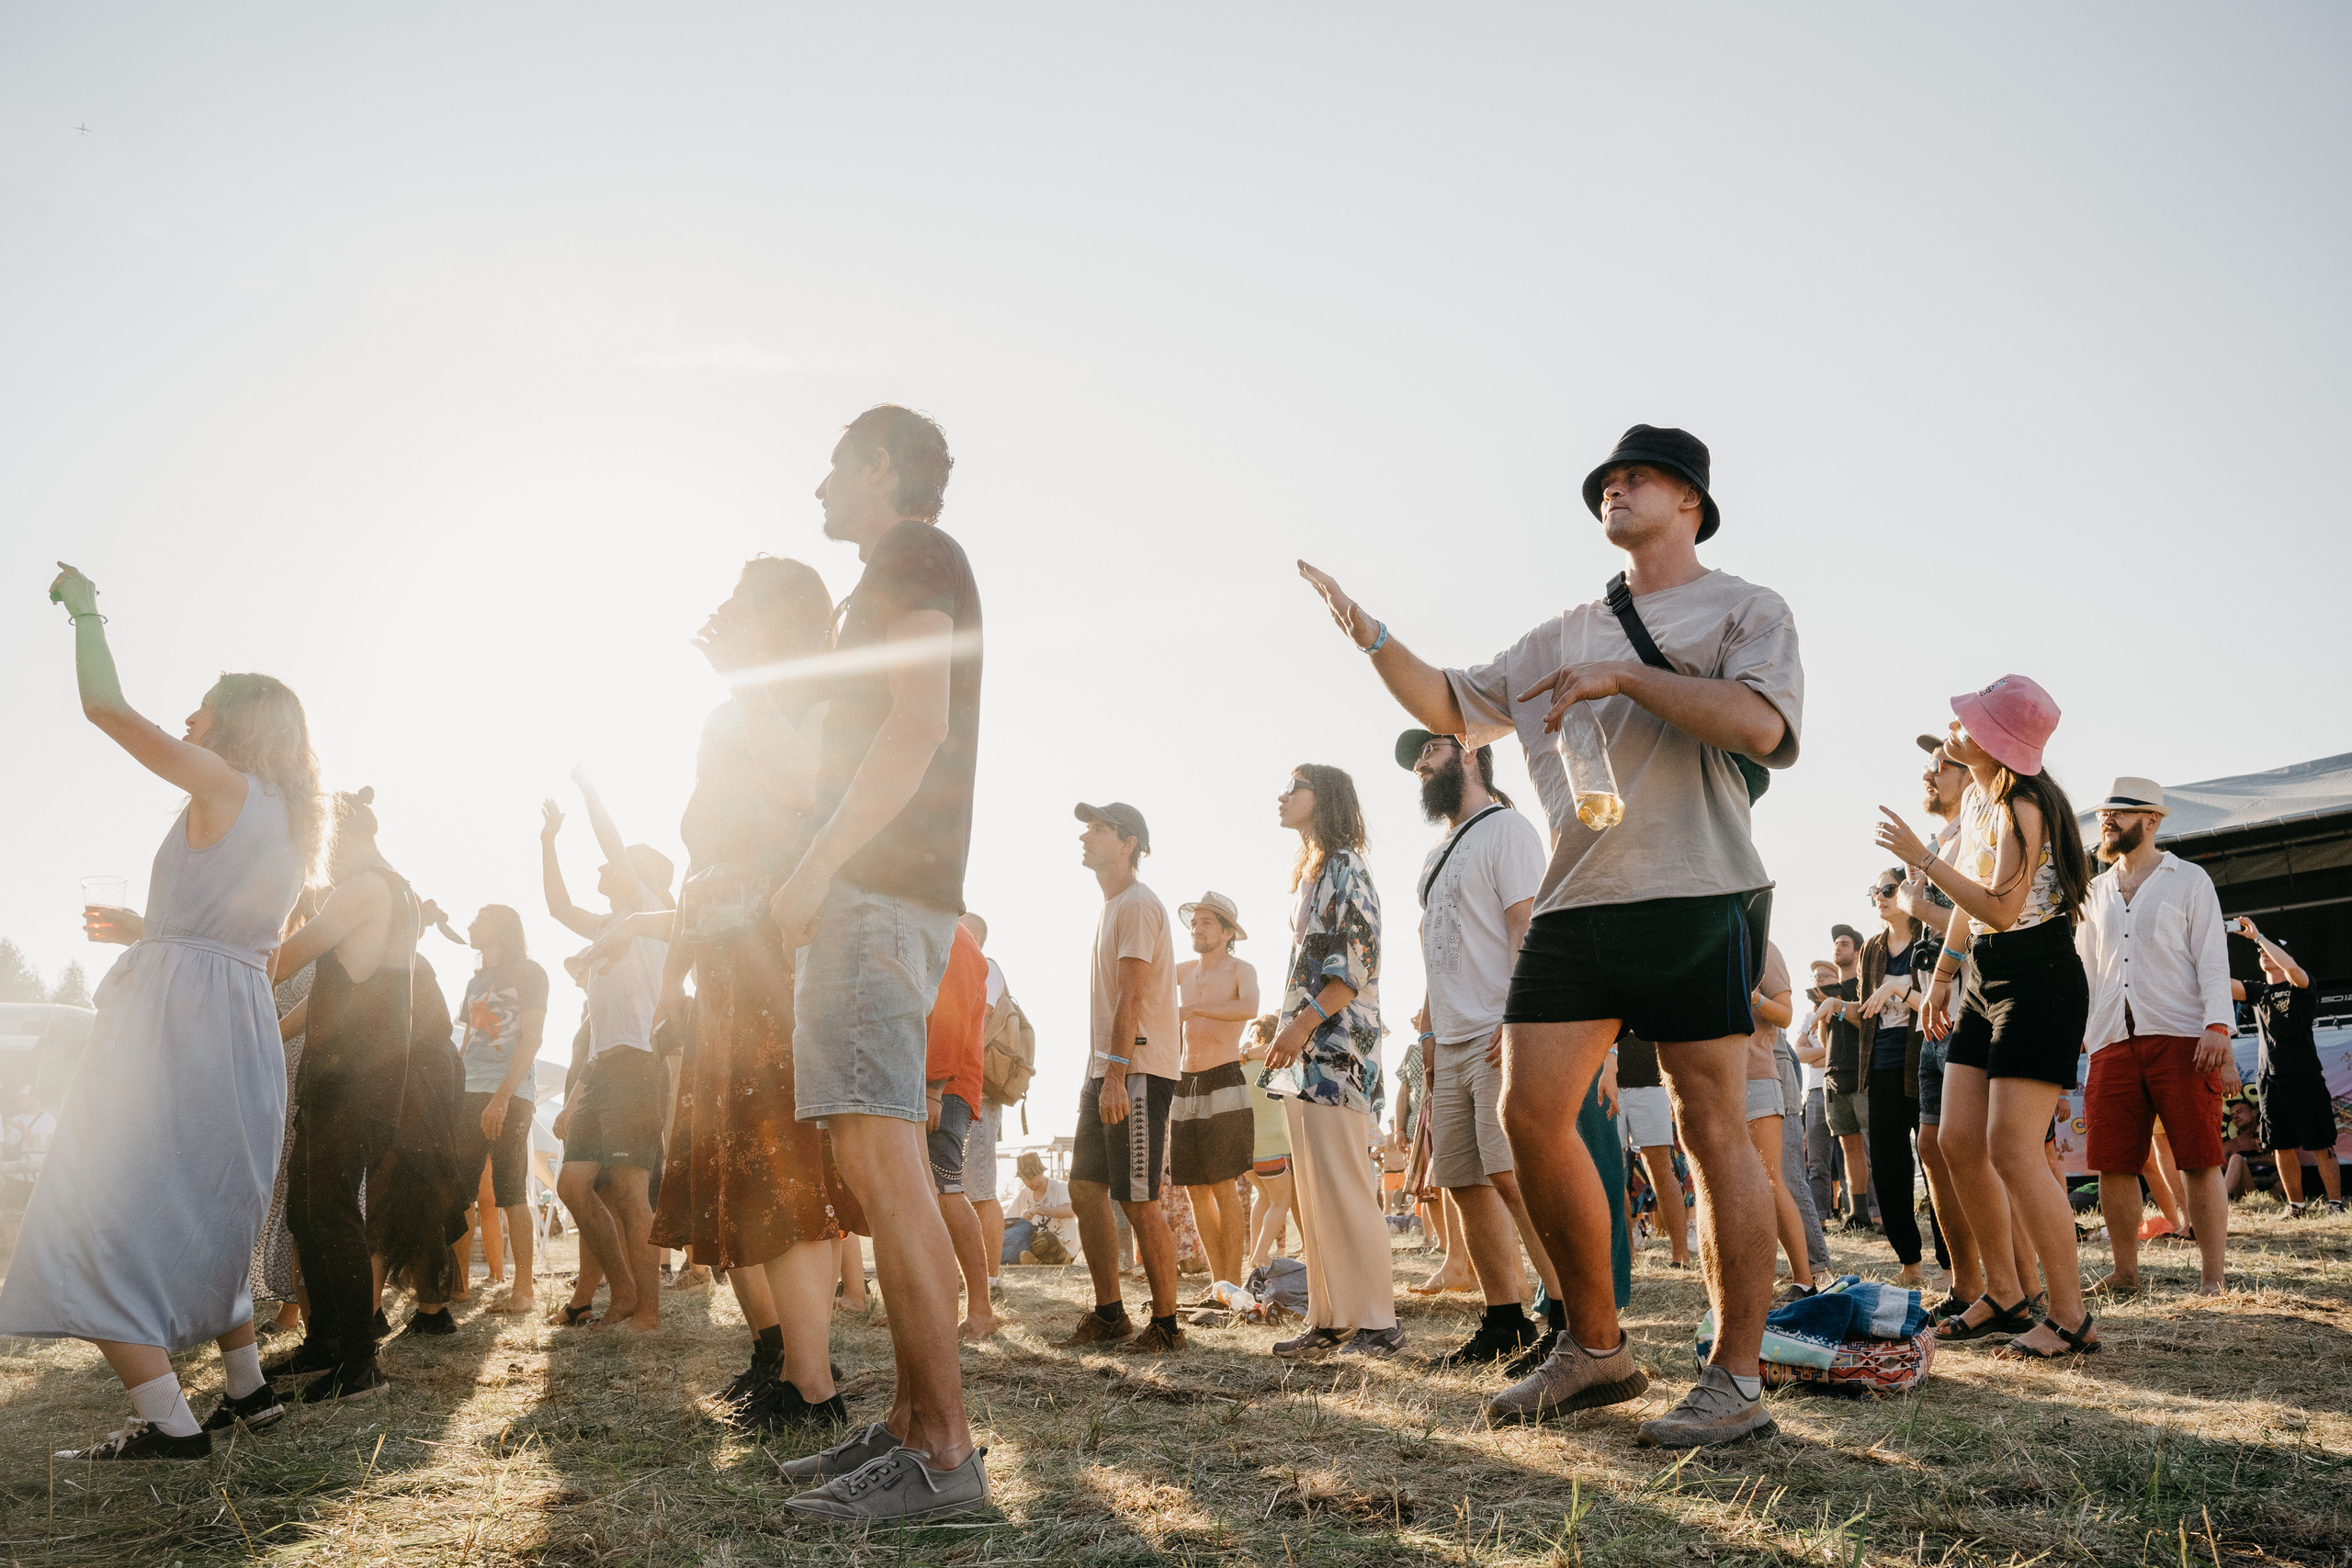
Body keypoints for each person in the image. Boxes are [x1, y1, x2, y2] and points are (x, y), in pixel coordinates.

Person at [1300, 425, 1804, 1445]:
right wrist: (1368, 633)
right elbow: (1450, 701)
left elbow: (1760, 728)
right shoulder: (1559, 634)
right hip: (1578, 902)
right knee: (1530, 1115)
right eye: (1608, 479)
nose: (1617, 487)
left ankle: (1736, 1380)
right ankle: (1597, 1346)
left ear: (1691, 504)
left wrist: (1626, 681)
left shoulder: (1745, 608)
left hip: (1696, 891)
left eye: (1641, 476)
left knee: (1710, 1128)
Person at [2, 567, 318, 1460]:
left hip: (177, 1028)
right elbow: (244, 938)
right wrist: (156, 930)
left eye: (202, 708)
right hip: (238, 1026)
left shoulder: (220, 784)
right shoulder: (291, 822)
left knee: (85, 1208)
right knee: (213, 1206)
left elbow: (107, 709)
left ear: (235, 725)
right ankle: (248, 1392)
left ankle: (166, 1423)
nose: (187, 721)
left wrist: (86, 608)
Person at [764, 407, 989, 1521]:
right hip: (889, 887)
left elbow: (916, 722)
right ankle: (909, 1426)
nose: (818, 489)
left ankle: (944, 1455)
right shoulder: (896, 572)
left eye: (834, 464)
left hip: (874, 888)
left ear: (884, 468)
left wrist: (813, 871)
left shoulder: (911, 553)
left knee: (883, 1159)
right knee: (876, 1153)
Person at [628, 557, 858, 1428]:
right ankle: (782, 1358)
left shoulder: (816, 698)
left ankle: (812, 1387)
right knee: (729, 1172)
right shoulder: (726, 713)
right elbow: (698, 862)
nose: (722, 619)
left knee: (784, 1167)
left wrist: (749, 686)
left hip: (783, 948)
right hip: (723, 958)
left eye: (740, 608)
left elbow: (810, 792)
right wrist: (674, 974)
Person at [1875, 675, 2097, 1359]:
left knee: (2011, 1146)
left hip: (2040, 978)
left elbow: (2001, 906)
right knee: (1954, 1141)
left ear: (1996, 741)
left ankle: (2069, 1314)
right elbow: (1973, 914)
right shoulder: (1977, 797)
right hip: (1983, 979)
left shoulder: (2025, 805)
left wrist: (1922, 858)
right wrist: (1944, 974)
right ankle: (2002, 1292)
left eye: (1968, 722)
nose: (1954, 727)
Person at [1396, 728, 1573, 1368]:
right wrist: (1428, 1036)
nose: (1420, 764)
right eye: (1417, 757)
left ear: (1468, 754)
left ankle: (1566, 1317)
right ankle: (1505, 1318)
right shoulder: (1435, 852)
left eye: (1430, 751)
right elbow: (1435, 950)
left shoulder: (1508, 830)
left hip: (1501, 1031)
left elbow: (1528, 927)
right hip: (1450, 1040)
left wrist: (1519, 1013)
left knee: (1513, 1176)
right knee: (1463, 1180)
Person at [1261, 764, 1404, 1359]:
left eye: (1295, 785)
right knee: (1313, 1186)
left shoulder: (1347, 864)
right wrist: (1282, 1025)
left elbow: (1357, 962)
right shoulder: (1313, 871)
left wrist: (1297, 1025)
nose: (1282, 793)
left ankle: (1378, 1323)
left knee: (1344, 1179)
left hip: (1339, 1044)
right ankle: (1329, 1319)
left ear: (1327, 797)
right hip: (1305, 1045)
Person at [2075, 776, 2235, 1297]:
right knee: (2113, 1161)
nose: (2107, 821)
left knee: (2199, 1156)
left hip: (2183, 1036)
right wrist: (2080, 1029)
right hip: (2109, 1040)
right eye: (2104, 814)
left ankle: (2213, 1279)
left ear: (2152, 820)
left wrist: (2216, 1025)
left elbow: (2213, 959)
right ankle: (2125, 1274)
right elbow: (2083, 969)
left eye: (2119, 814)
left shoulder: (2189, 880)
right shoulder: (2093, 891)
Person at [541, 785, 673, 1334]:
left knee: (627, 1189)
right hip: (599, 1071)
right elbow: (557, 906)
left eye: (610, 866)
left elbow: (614, 846)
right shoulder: (604, 927)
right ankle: (620, 1292)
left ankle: (647, 1312)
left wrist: (593, 793)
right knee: (574, 1185)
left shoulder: (646, 913)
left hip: (638, 1064)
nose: (601, 868)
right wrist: (548, 841)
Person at [1060, 802, 1187, 1353]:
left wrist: (1114, 1074)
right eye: (1086, 828)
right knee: (1085, 1189)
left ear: (1129, 843)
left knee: (1138, 1200)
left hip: (1134, 1072)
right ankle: (1111, 1314)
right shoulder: (1112, 906)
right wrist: (1100, 1072)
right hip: (1106, 1070)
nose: (1085, 836)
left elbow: (1132, 996)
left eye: (1100, 829)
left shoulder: (1137, 905)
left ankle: (1166, 1326)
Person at [447, 907, 548, 1318]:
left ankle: (523, 1291)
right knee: (457, 1194)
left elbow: (532, 1038)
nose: (469, 924)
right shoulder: (475, 981)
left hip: (510, 1093)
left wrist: (503, 1096)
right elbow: (468, 1039)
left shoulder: (530, 972)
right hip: (468, 1091)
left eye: (480, 918)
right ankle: (457, 1287)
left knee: (509, 1191)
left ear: (502, 928)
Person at [1171, 891, 1262, 1291]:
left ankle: (1235, 1284)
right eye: (1194, 922)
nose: (1197, 928)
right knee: (1194, 1187)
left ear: (1228, 932)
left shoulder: (1242, 968)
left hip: (1224, 1076)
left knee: (1225, 1183)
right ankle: (1216, 1284)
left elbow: (1250, 1007)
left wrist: (1193, 1009)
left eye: (1207, 922)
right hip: (1183, 1082)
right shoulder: (1181, 970)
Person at [2237, 916, 2342, 1213]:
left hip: (2304, 1075)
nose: (2264, 955)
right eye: (2261, 954)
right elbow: (2223, 984)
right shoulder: (2258, 992)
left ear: (2283, 955)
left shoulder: (2300, 986)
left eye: (2271, 951)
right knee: (2281, 1145)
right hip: (2270, 1079)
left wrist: (2258, 938)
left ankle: (2334, 1203)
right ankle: (2296, 1205)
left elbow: (2293, 969)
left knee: (2321, 1143)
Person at [924, 919, 998, 1339]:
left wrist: (934, 1087)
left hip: (945, 1087)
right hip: (935, 1084)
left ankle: (981, 1310)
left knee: (948, 1192)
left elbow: (950, 1018)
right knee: (932, 1197)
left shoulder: (952, 936)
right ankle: (931, 1306)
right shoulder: (941, 932)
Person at [1857, 876, 1928, 1286]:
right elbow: (1869, 1007)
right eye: (1874, 891)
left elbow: (1937, 1002)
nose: (1878, 897)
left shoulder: (1929, 936)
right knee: (1888, 1167)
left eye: (1887, 889)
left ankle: (1955, 1267)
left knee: (1935, 1162)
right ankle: (1911, 1265)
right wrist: (1838, 1004)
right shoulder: (1871, 948)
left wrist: (1899, 990)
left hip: (1923, 1060)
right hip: (1881, 1067)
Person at [1736, 942, 1811, 1297]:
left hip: (1756, 1076)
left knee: (1770, 1181)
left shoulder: (1762, 946)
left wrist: (1754, 999)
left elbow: (1785, 1015)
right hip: (1710, 1080)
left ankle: (1804, 1281)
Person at [959, 912, 1011, 1292]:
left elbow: (975, 1024)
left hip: (978, 1090)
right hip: (966, 1090)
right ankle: (971, 1275)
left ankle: (990, 1278)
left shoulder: (987, 969)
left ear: (972, 933)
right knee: (961, 1189)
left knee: (980, 1190)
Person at [1818, 925, 1875, 1232]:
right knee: (1849, 1146)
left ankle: (1882, 1213)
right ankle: (1859, 1214)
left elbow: (1867, 1025)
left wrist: (1840, 1008)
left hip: (1863, 1073)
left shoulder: (1865, 985)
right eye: (1835, 944)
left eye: (1844, 943)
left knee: (1874, 1144)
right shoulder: (1827, 991)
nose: (1838, 948)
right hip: (1834, 1074)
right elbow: (1824, 1040)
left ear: (1857, 951)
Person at [1239, 1016, 1297, 1269]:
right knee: (1281, 1201)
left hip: (1247, 1148)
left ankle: (1254, 1255)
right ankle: (1261, 1256)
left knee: (1262, 1197)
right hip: (1273, 1144)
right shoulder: (1279, 1064)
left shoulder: (1243, 1066)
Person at [1001, 1151, 1076, 1264]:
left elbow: (1070, 1210)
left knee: (1047, 1238)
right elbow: (1008, 1219)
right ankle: (1034, 1260)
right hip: (1036, 1245)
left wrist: (1038, 1210)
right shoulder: (1024, 1193)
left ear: (1040, 1173)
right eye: (1023, 1179)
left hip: (1061, 1244)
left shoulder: (1060, 1187)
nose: (1027, 1183)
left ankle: (1059, 1259)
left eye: (1030, 1178)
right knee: (1016, 1240)